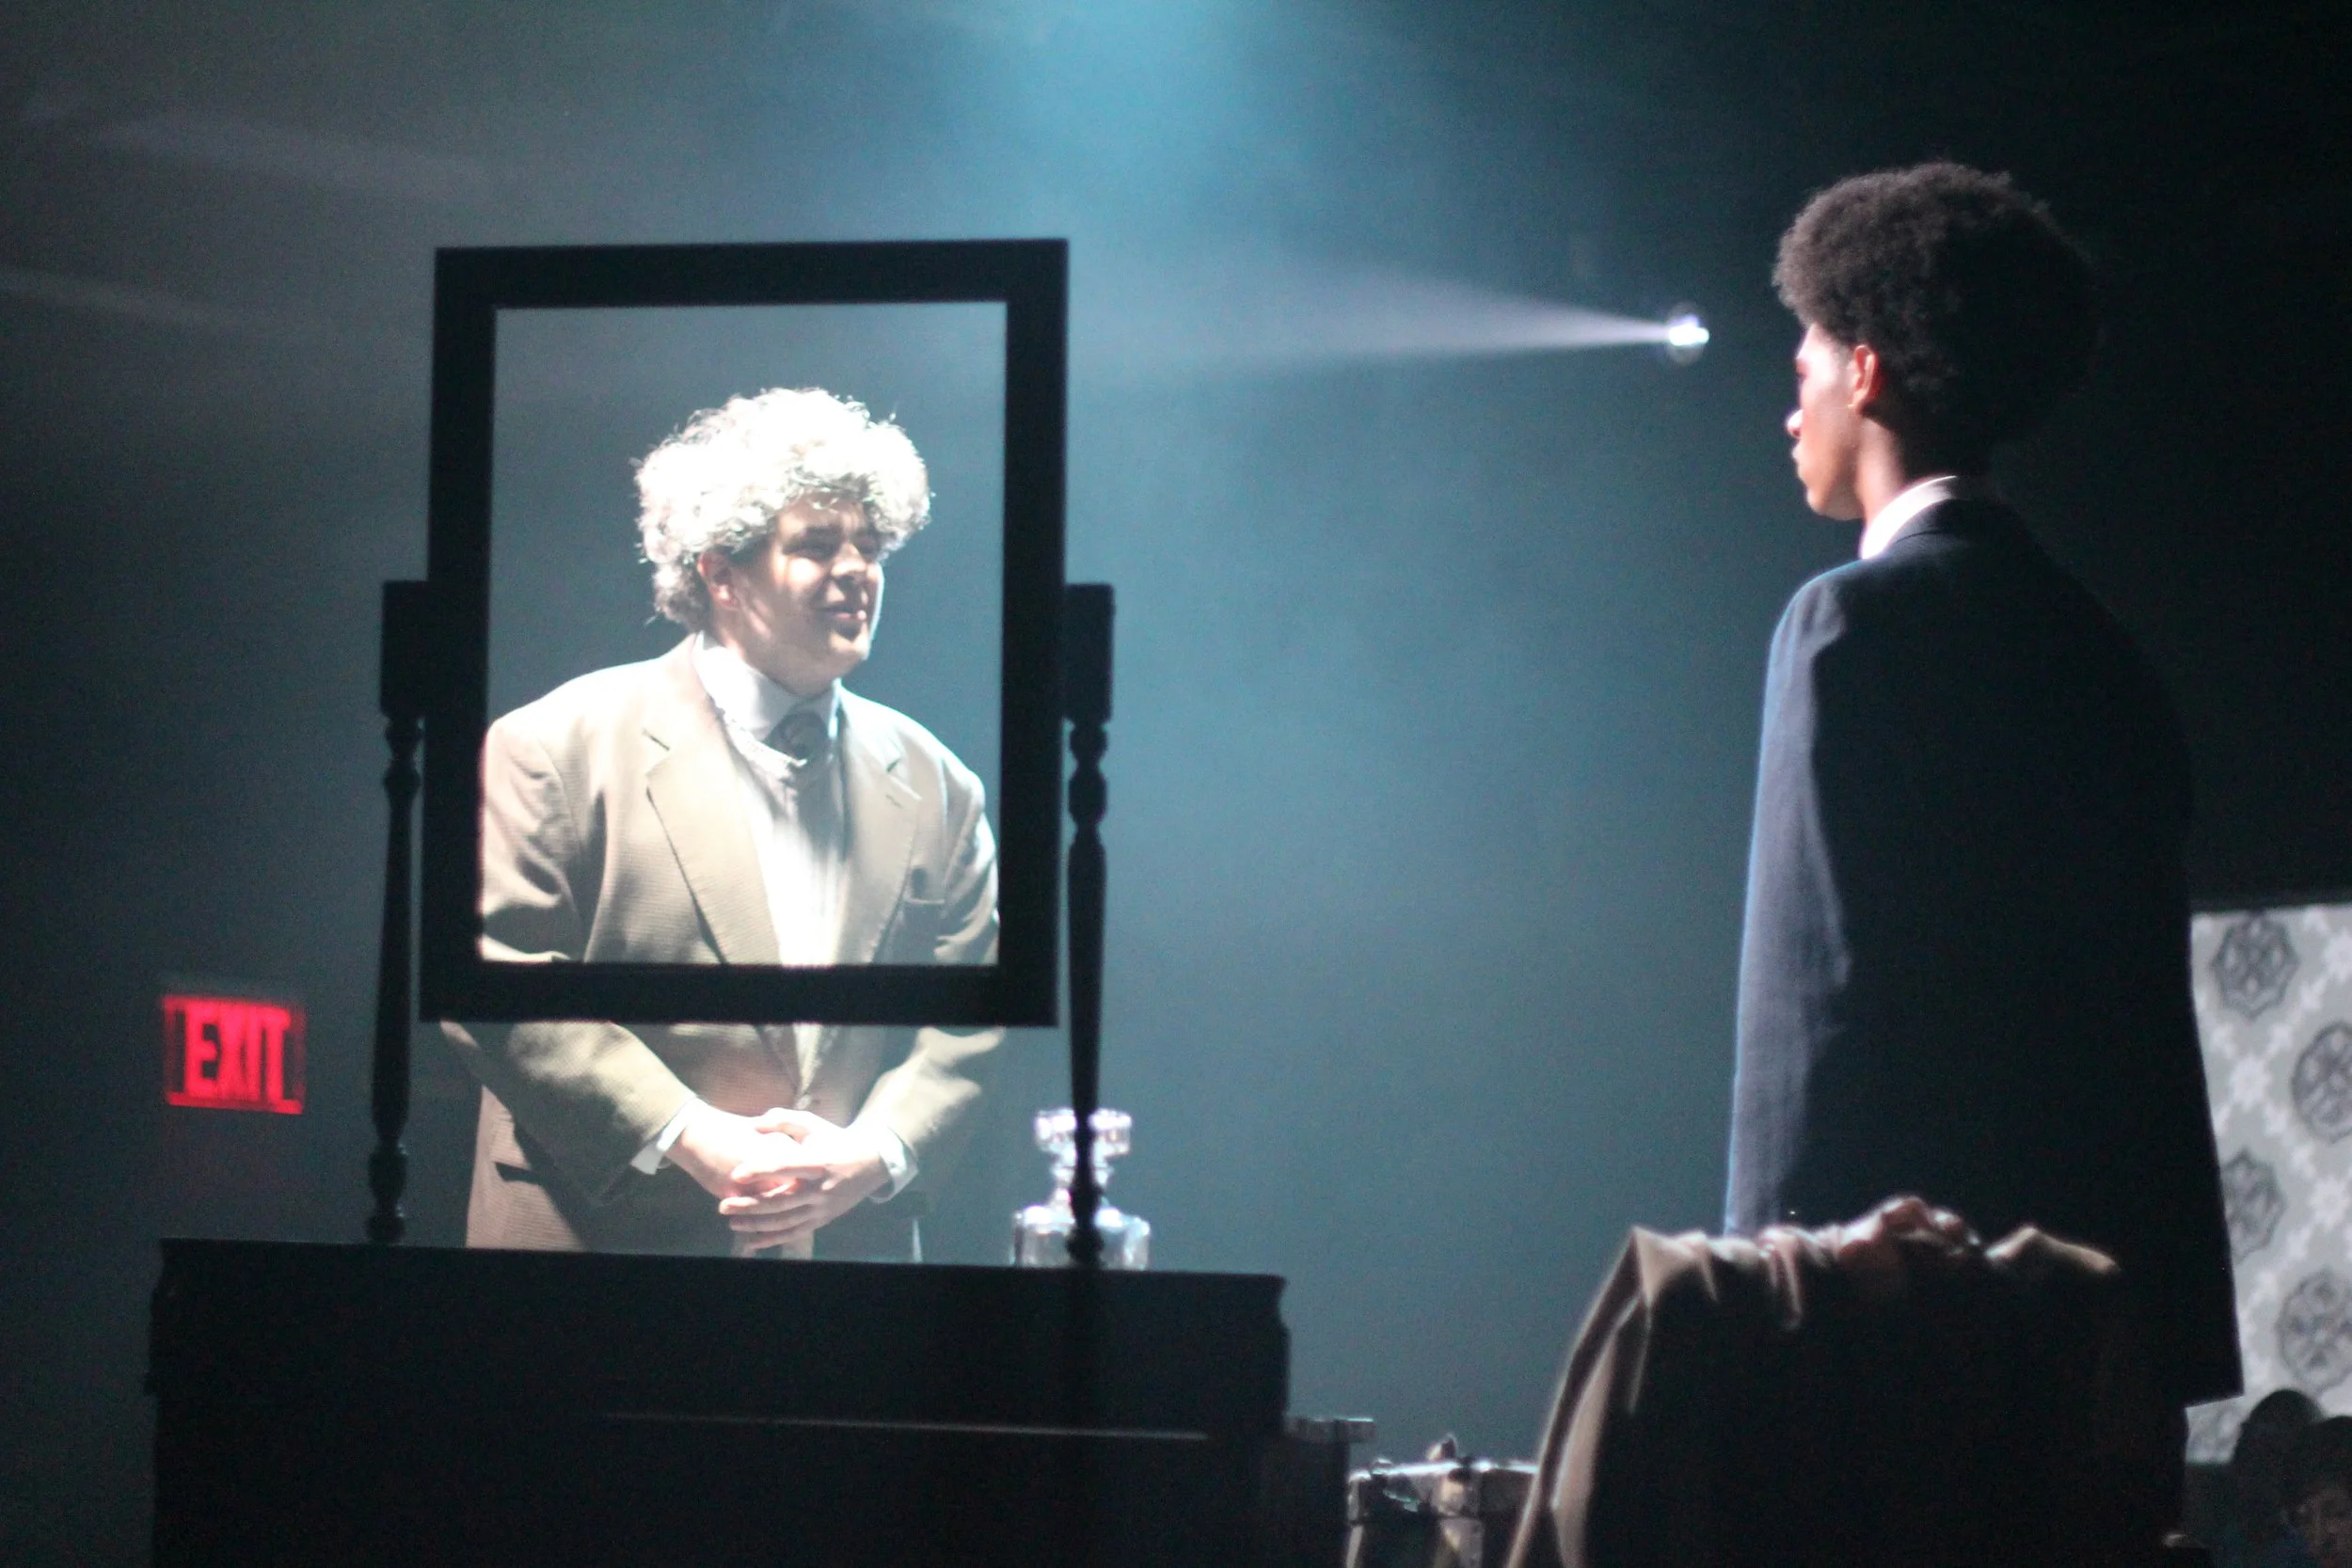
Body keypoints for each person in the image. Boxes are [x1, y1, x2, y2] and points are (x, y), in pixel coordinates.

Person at [1723, 162, 2241, 1407]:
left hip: (1897, 1323)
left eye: (1802, 370)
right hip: (2095, 1326)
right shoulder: (2106, 653)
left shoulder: (1850, 622)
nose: (1789, 412)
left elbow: (1815, 1007)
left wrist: (1756, 1293)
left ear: (1864, 369)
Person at [443, 388, 1001, 1260]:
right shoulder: (551, 745)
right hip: (585, 1273)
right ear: (719, 573)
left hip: (848, 1285)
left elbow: (971, 1019)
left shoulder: (942, 785)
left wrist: (872, 1154)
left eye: (871, 543)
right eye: (817, 544)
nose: (858, 569)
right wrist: (691, 1136)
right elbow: (497, 983)